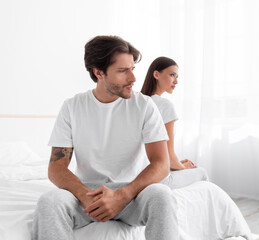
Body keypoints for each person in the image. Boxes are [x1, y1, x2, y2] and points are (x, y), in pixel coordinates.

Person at [32, 36, 179, 240]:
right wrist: (83, 195)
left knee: (162, 196)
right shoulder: (72, 107)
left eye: (132, 69)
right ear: (98, 72)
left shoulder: (144, 106)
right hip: (87, 194)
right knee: (49, 202)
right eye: (122, 71)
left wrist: (122, 195)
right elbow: (56, 167)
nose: (133, 78)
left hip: (132, 192)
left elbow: (161, 164)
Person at [141, 57, 209, 189]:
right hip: (155, 177)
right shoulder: (165, 105)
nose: (176, 81)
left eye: (177, 76)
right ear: (156, 74)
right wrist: (183, 166)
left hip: (137, 173)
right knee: (201, 173)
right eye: (172, 75)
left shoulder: (138, 103)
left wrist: (178, 164)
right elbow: (169, 159)